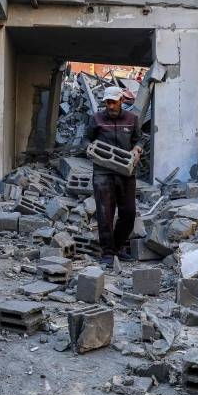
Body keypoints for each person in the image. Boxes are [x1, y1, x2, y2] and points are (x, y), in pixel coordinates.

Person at [86, 86, 142, 266]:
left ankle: (117, 247)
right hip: (103, 172)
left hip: (126, 172)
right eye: (107, 102)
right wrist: (88, 147)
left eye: (113, 102)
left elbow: (139, 139)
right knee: (105, 214)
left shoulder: (132, 119)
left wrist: (136, 149)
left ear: (122, 101)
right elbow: (86, 139)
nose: (110, 106)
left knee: (128, 213)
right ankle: (108, 253)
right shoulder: (96, 119)